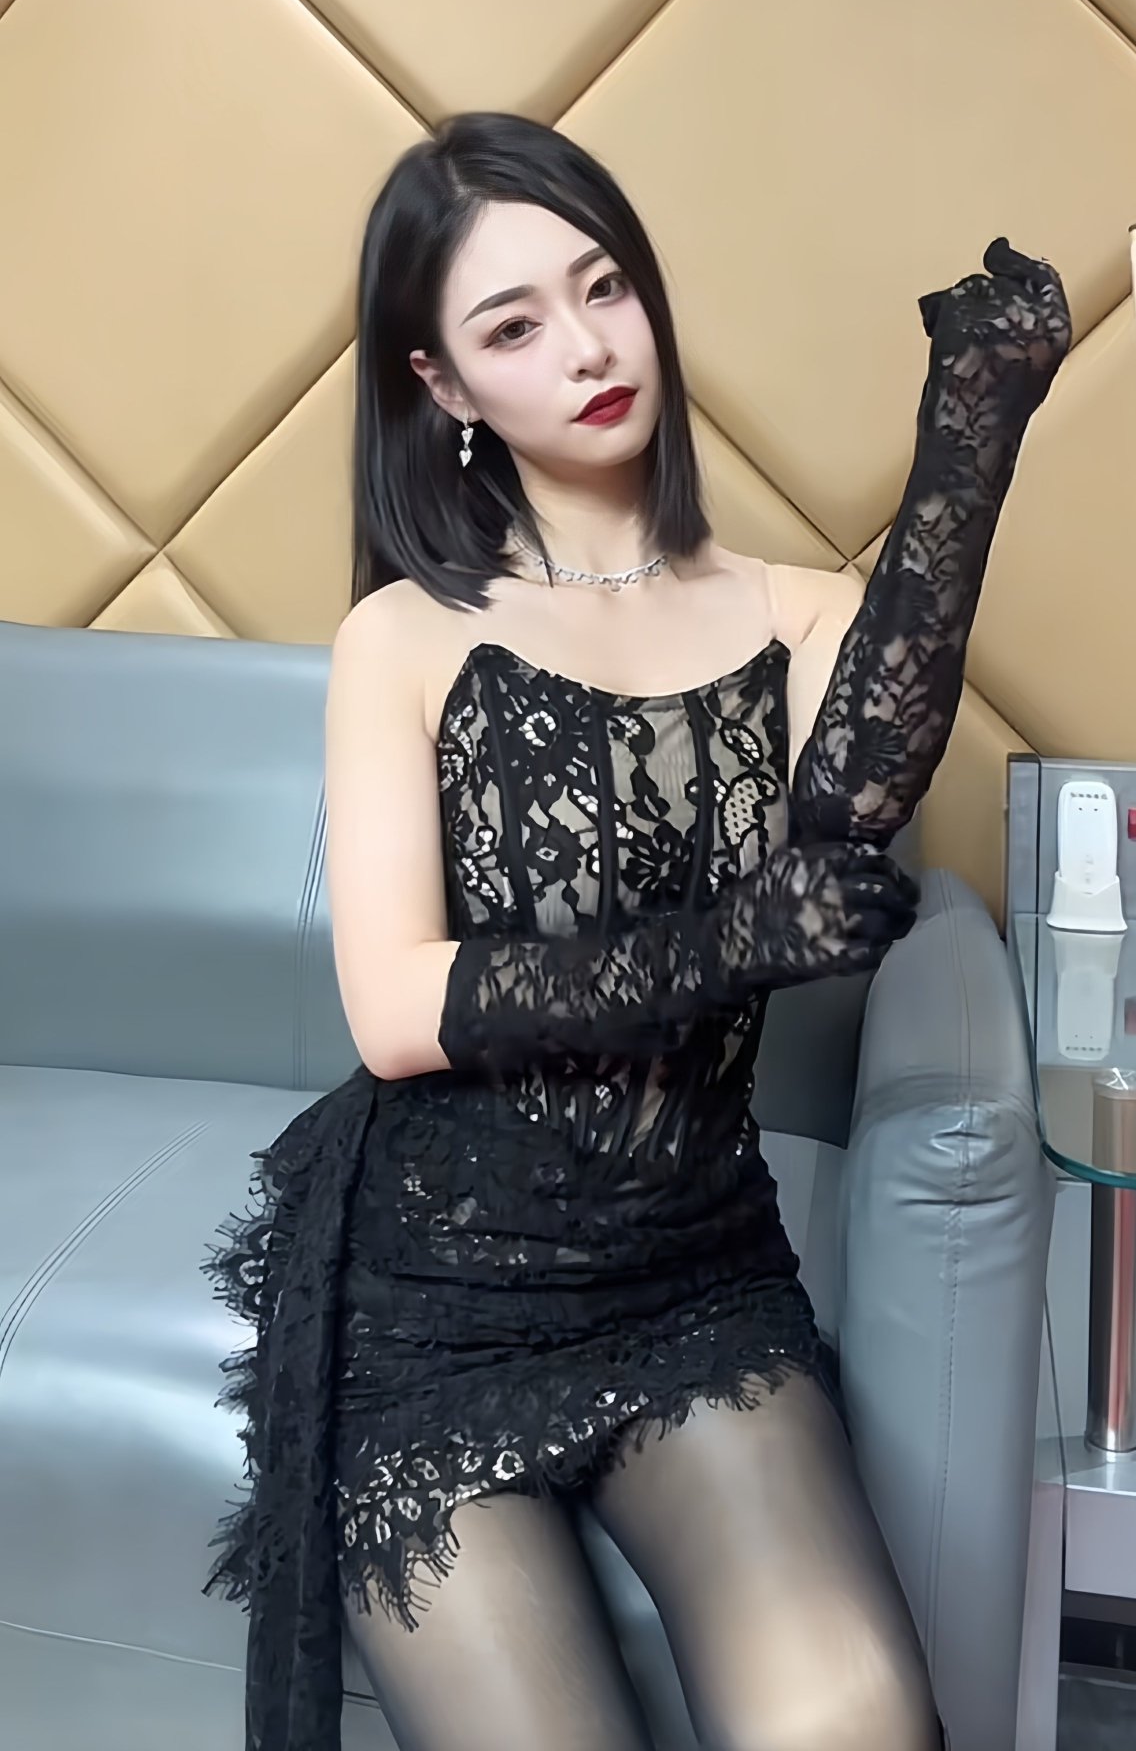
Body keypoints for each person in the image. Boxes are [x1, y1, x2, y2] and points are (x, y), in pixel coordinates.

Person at [204, 112, 1070, 1751]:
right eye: (514, 325)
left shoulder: (799, 614)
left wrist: (973, 431)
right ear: (445, 386)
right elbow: (394, 1005)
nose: (590, 348)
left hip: (691, 1280)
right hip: (438, 1295)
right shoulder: (405, 637)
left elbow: (860, 795)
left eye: (605, 288)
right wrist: (729, 942)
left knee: (853, 1723)